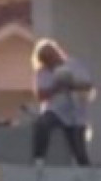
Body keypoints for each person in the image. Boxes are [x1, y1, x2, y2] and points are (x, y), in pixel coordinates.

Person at [31, 38, 95, 167]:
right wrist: (55, 88)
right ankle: (39, 159)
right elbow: (41, 95)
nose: (50, 61)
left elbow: (88, 87)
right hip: (55, 111)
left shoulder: (74, 66)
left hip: (76, 113)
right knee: (42, 124)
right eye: (46, 59)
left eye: (51, 56)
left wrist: (72, 85)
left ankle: (87, 172)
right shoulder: (42, 72)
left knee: (79, 150)